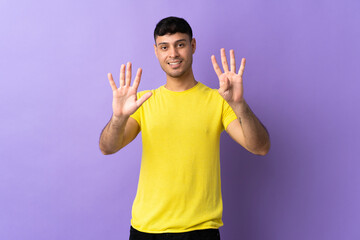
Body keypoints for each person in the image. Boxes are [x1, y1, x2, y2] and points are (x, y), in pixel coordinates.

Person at [99, 16, 270, 240]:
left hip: (200, 231)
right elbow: (108, 147)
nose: (173, 54)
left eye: (180, 44)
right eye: (164, 47)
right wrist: (118, 118)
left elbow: (260, 147)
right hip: (147, 230)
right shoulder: (143, 101)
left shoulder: (219, 100)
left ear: (193, 46)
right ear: (156, 51)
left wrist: (239, 105)